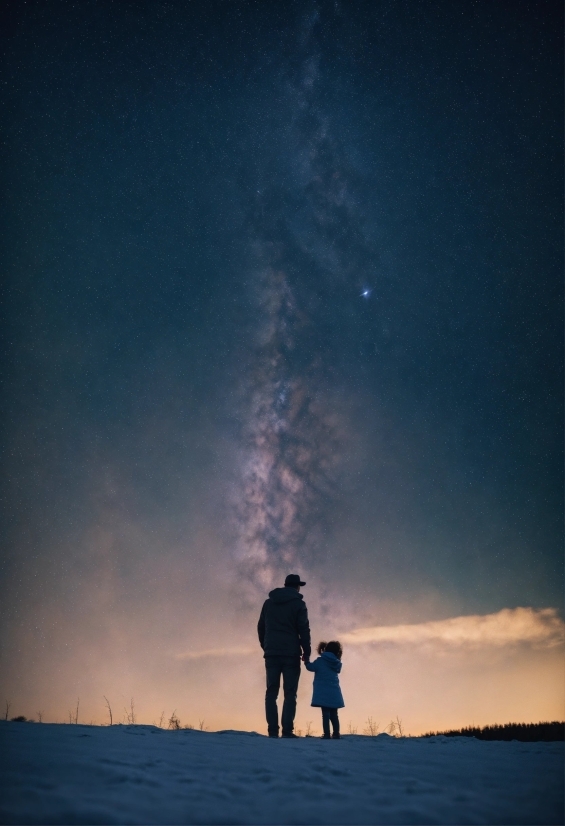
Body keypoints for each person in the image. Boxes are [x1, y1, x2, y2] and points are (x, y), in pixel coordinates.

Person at [257, 574, 311, 738]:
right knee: (290, 693)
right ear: (297, 587)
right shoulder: (299, 604)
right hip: (291, 653)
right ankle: (287, 731)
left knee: (271, 693)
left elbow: (261, 627)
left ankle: (273, 731)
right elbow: (304, 629)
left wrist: (266, 645)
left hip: (272, 653)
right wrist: (306, 651)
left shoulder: (268, 603)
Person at [304, 640, 344, 739]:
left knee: (325, 714)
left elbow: (310, 667)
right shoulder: (336, 662)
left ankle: (326, 734)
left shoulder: (320, 661)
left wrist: (306, 660)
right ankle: (336, 733)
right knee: (334, 714)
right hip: (334, 691)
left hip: (322, 692)